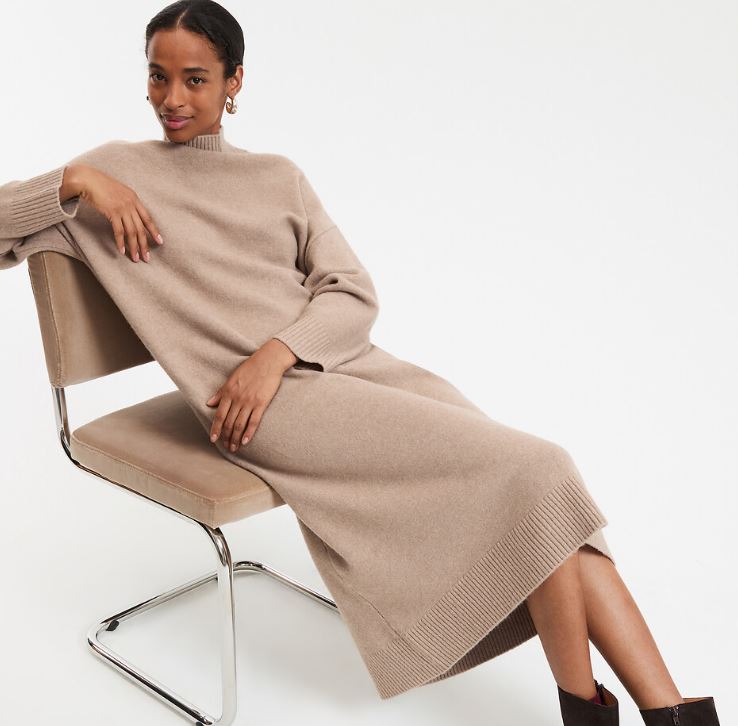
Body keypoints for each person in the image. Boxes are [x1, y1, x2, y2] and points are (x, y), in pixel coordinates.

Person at [0, 2, 722, 724]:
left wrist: (279, 351)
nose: (172, 99)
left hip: (348, 366)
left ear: (234, 81)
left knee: (542, 487)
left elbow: (351, 291)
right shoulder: (114, 176)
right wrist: (80, 179)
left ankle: (655, 713)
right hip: (263, 408)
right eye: (158, 77)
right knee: (540, 469)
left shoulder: (278, 177)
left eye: (195, 79)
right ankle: (609, 710)